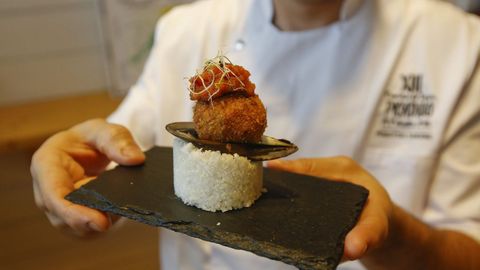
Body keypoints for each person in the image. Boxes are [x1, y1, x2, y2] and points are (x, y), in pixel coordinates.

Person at [30, 0, 480, 269]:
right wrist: (75, 160)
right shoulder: (187, 30)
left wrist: (400, 235)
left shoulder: (458, 45)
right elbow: (116, 153)